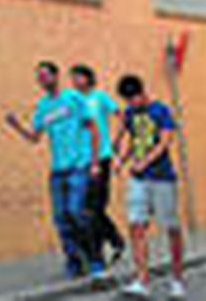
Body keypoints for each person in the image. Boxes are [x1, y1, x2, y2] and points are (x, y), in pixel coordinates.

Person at [5, 61, 103, 280]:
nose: (42, 81)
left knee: (76, 211)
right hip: (57, 170)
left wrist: (94, 162)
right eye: (39, 77)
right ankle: (74, 261)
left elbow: (93, 129)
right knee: (61, 218)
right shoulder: (42, 106)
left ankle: (95, 257)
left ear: (56, 76)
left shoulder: (73, 98)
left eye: (45, 75)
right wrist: (16, 125)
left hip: (79, 165)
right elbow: (34, 137)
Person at [113, 74, 186, 299]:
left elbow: (164, 142)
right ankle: (142, 280)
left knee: (171, 229)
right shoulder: (129, 114)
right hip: (139, 179)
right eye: (127, 101)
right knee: (136, 226)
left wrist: (144, 161)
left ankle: (177, 279)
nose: (130, 104)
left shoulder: (160, 111)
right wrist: (121, 160)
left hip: (162, 178)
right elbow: (133, 142)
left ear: (142, 93)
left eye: (132, 99)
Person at [70, 64, 127, 266]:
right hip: (81, 159)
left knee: (94, 206)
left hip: (101, 156)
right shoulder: (73, 101)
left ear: (88, 78)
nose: (75, 81)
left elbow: (122, 117)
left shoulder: (99, 97)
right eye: (72, 78)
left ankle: (105, 247)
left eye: (78, 77)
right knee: (88, 208)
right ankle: (114, 241)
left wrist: (116, 140)